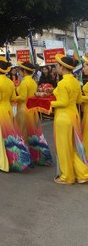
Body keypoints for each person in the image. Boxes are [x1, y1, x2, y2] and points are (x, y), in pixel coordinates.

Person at [0, 56, 31, 172]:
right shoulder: (9, 81)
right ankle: (13, 159)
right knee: (9, 136)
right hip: (8, 109)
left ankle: (0, 163)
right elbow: (13, 97)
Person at [51, 54, 88, 184]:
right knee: (72, 147)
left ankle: (67, 176)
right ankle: (83, 173)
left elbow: (63, 102)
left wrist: (49, 103)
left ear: (63, 67)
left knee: (63, 147)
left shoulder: (62, 83)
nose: (56, 68)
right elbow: (78, 100)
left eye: (57, 65)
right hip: (74, 115)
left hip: (64, 117)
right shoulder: (75, 81)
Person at [15, 61, 53, 166]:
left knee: (23, 134)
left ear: (23, 71)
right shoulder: (32, 81)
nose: (19, 72)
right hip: (32, 110)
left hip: (23, 110)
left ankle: (25, 160)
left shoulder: (24, 83)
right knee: (34, 134)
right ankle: (40, 157)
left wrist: (12, 98)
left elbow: (22, 97)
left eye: (20, 70)